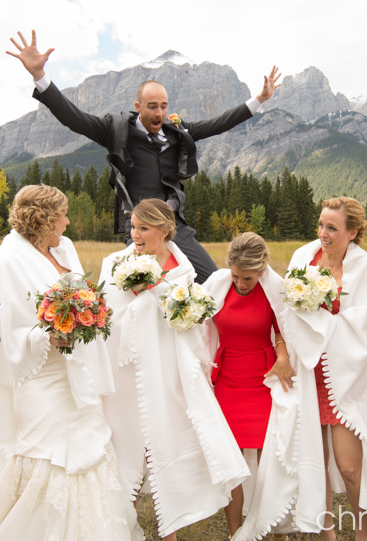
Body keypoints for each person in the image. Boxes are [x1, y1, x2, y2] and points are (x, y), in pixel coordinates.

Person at [7, 29, 281, 283]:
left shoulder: (177, 132)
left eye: (163, 106)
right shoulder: (114, 130)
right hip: (137, 227)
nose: (159, 113)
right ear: (138, 107)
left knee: (209, 282)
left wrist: (259, 99)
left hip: (174, 226)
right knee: (137, 286)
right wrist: (40, 77)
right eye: (152, 107)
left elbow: (219, 123)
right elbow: (74, 118)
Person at [0, 185, 141, 540]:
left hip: (75, 370)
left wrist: (90, 312)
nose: (67, 220)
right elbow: (8, 326)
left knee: (87, 444)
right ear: (44, 219)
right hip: (40, 373)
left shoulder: (65, 247)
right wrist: (46, 335)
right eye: (62, 213)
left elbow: (80, 295)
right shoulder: (7, 260)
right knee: (45, 452)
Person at [98, 198, 249, 540]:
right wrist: (137, 298)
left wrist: (168, 301)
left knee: (165, 445)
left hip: (167, 373)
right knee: (124, 449)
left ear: (165, 231)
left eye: (143, 228)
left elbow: (189, 322)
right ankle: (120, 526)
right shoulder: (114, 264)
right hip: (123, 374)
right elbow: (105, 317)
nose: (135, 234)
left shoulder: (184, 271)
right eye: (132, 227)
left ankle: (172, 531)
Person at [287, 197, 367, 541]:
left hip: (347, 375)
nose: (323, 233)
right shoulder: (303, 258)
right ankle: (327, 534)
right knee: (316, 461)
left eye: (332, 227)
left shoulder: (363, 267)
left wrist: (320, 315)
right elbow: (289, 308)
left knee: (350, 467)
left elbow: (361, 324)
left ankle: (363, 531)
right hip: (308, 371)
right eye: (321, 224)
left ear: (352, 232)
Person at [202, 232, 324, 540]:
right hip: (228, 379)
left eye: (248, 279)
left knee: (269, 457)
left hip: (263, 378)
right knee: (234, 459)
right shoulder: (216, 285)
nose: (241, 284)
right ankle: (235, 534)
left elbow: (284, 328)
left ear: (262, 271)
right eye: (236, 277)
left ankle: (274, 528)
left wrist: (282, 353)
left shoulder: (276, 288)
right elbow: (196, 325)